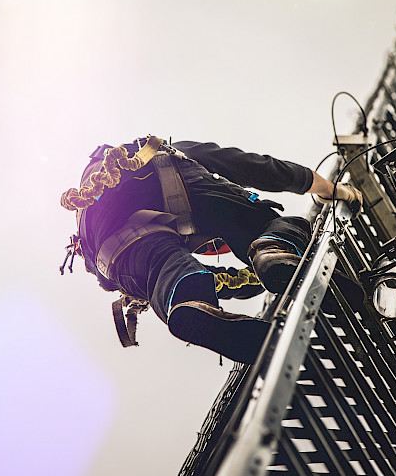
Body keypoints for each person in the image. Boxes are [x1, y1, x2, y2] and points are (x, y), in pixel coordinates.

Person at [60, 135, 361, 364]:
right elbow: (260, 168)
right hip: (152, 171)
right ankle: (274, 245)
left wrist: (255, 279)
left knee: (167, 272)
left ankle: (192, 305)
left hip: (106, 252)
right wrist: (334, 190)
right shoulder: (186, 152)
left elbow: (215, 280)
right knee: (269, 224)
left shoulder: (159, 239)